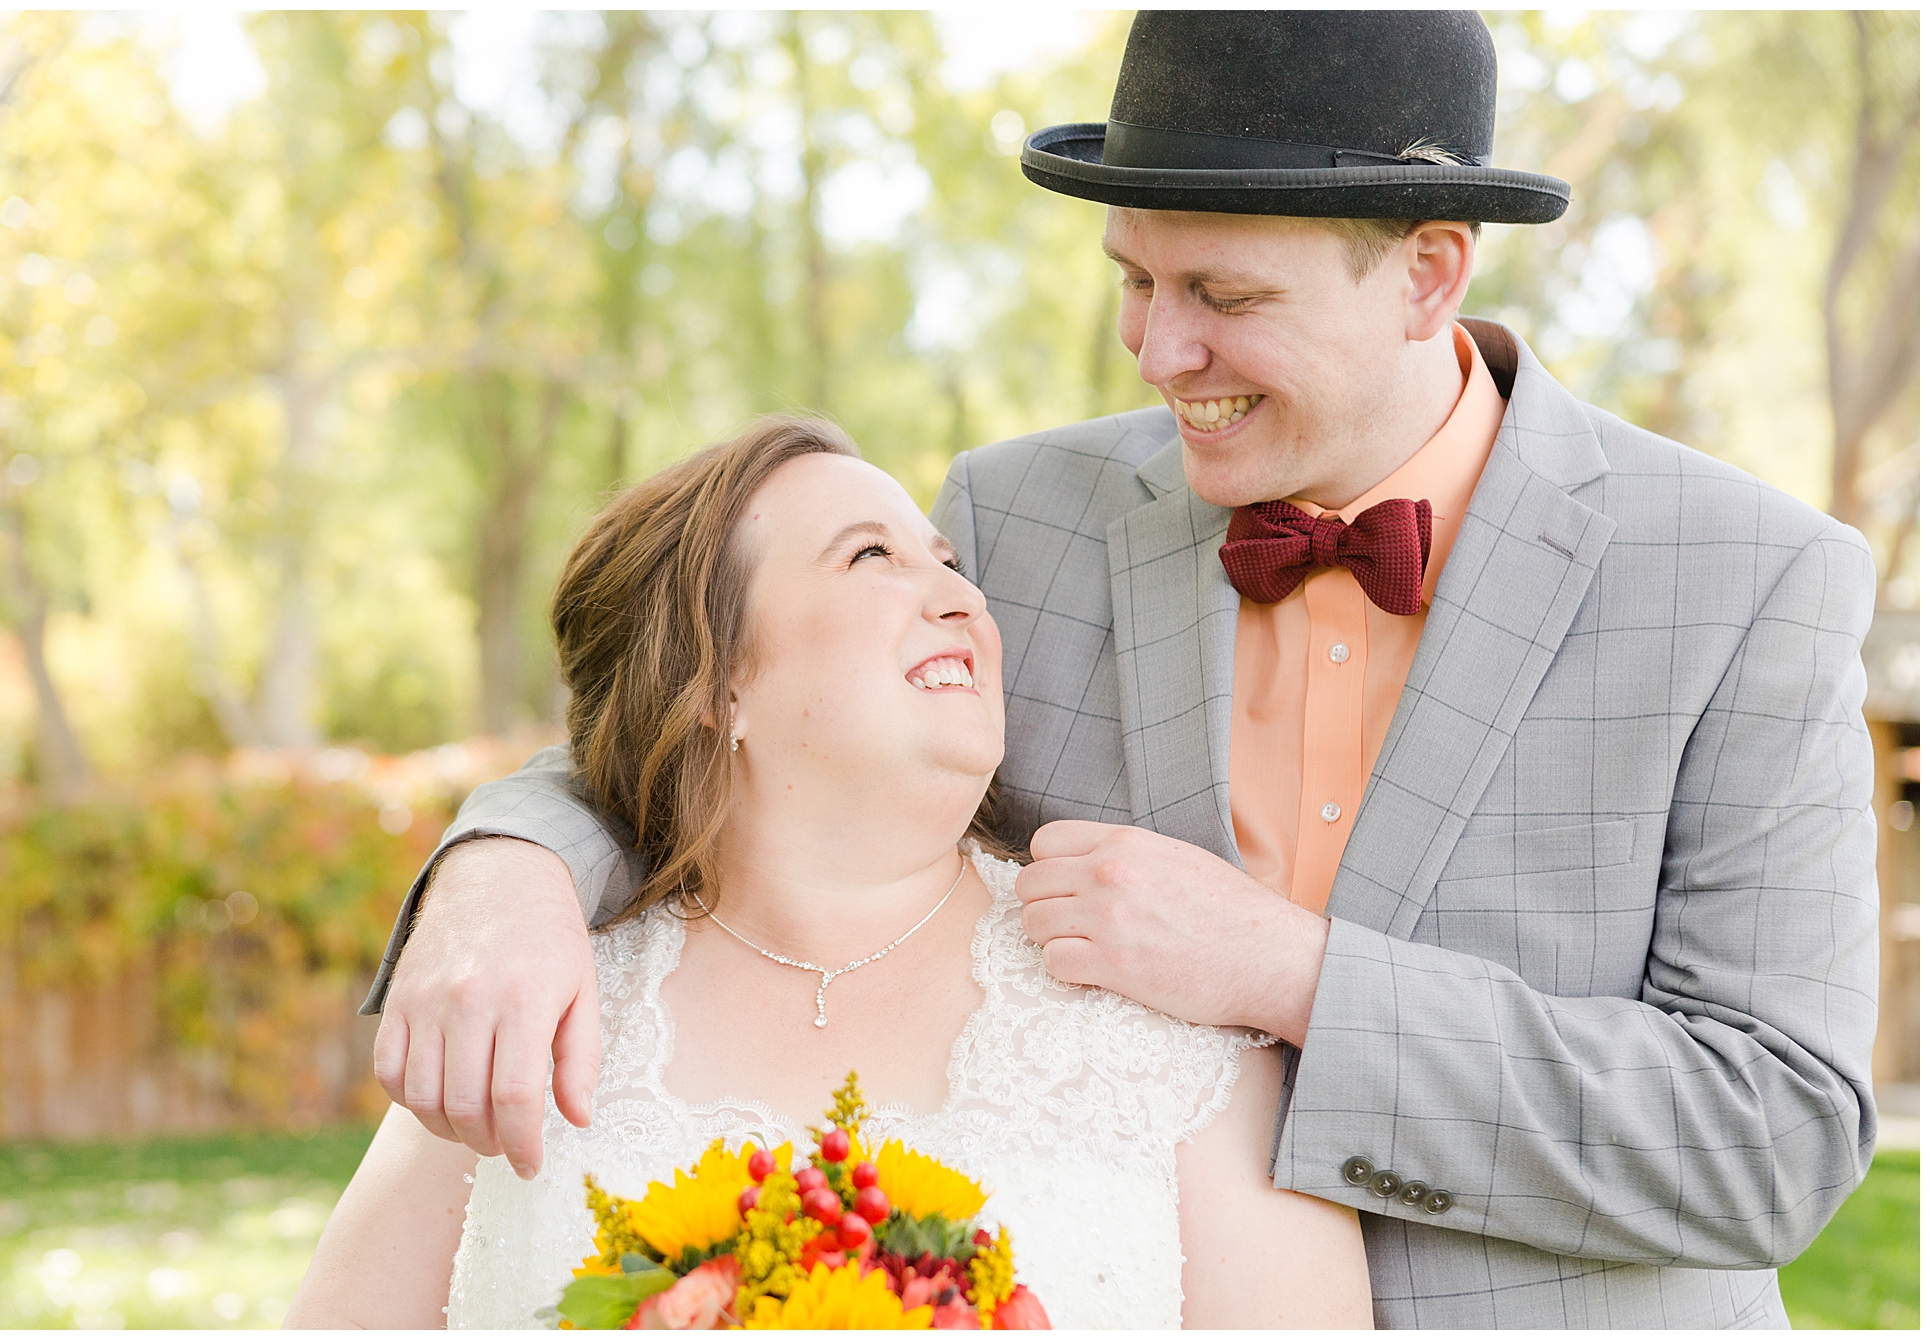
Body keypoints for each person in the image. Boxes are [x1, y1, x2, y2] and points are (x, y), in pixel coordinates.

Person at [361, 12, 1880, 1330]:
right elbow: (722, 703)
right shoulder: (1014, 520)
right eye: (1132, 280)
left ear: (1427, 276)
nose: (1155, 353)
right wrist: (507, 869)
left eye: (1221, 296)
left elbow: (1777, 1142)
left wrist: (1288, 976)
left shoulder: (1748, 584)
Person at [287, 416, 1373, 1328]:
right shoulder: (528, 999)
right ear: (715, 682)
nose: (961, 598)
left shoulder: (1164, 1007)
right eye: (870, 557)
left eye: (949, 562)